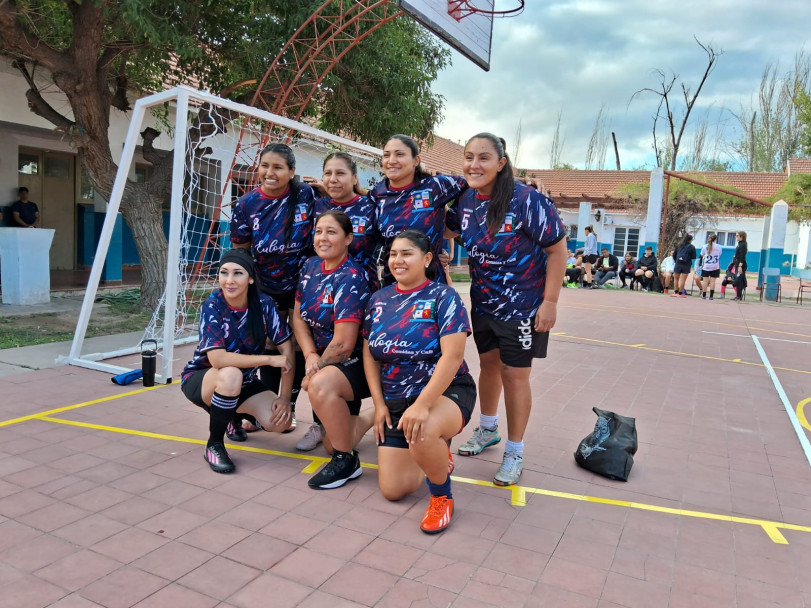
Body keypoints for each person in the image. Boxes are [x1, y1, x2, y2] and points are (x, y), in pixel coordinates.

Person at [446, 133, 566, 487]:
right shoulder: (465, 200)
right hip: (483, 302)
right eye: (468, 157)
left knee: (515, 376)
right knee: (489, 366)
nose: (474, 165)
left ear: (501, 163)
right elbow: (446, 229)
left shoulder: (527, 200)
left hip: (524, 308)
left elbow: (558, 251)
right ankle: (487, 430)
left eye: (484, 158)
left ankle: (514, 451)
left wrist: (551, 302)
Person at [363, 230, 476, 534]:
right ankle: (435, 451)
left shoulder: (444, 297)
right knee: (393, 490)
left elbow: (452, 358)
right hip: (397, 399)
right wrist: (378, 404)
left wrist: (423, 405)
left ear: (427, 259)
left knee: (423, 430)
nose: (397, 260)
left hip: (445, 392)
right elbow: (370, 357)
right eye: (393, 254)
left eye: (407, 253)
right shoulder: (378, 300)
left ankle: (442, 496)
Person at [180, 248, 294, 474]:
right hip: (203, 378)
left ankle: (232, 416)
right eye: (224, 273)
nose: (229, 281)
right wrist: (268, 360)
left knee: (279, 422)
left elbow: (287, 349)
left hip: (244, 380)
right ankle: (214, 444)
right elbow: (217, 359)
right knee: (231, 373)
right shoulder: (213, 305)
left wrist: (284, 397)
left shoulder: (264, 304)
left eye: (237, 274)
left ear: (250, 278)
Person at [230, 143, 318, 435]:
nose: (270, 172)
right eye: (265, 165)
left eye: (278, 167)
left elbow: (340, 199)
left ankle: (289, 407)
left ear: (291, 171)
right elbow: (240, 251)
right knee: (269, 346)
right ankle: (264, 410)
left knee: (301, 347)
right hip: (266, 287)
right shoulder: (246, 205)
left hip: (303, 286)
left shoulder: (305, 194)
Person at [298, 152, 381, 450]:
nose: (334, 180)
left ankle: (349, 422)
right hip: (320, 286)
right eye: (328, 174)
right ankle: (322, 424)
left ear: (355, 178)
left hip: (357, 290)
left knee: (345, 350)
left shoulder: (370, 207)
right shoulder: (318, 204)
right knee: (318, 347)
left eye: (341, 174)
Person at [292, 211, 374, 488]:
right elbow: (298, 317)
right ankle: (379, 415)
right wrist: (310, 355)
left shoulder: (351, 276)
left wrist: (312, 372)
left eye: (331, 232)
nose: (322, 238)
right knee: (330, 441)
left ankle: (345, 461)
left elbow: (342, 345)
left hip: (356, 363)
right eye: (318, 231)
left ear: (348, 238)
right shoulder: (310, 267)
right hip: (324, 362)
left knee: (320, 386)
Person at [368, 134, 467, 286]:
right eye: (386, 155)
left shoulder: (435, 187)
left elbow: (478, 184)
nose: (391, 160)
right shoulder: (377, 194)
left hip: (431, 287)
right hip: (393, 287)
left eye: (399, 154)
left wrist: (454, 221)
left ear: (416, 161)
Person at [697, 232, 722, 300]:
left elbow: (702, 255)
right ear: (715, 239)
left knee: (705, 281)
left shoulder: (705, 246)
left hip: (706, 266)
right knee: (712, 281)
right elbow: (719, 255)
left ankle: (704, 295)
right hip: (715, 266)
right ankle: (711, 296)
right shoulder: (719, 247)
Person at [671, 234, 696, 298]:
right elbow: (694, 256)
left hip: (678, 263)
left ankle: (675, 292)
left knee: (676, 278)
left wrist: (677, 260)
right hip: (686, 264)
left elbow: (674, 255)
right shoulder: (691, 247)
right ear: (690, 240)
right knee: (683, 279)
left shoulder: (679, 245)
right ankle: (680, 293)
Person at [730, 231, 748, 301]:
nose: (736, 237)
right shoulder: (739, 244)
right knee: (738, 280)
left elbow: (742, 256)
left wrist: (740, 266)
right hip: (737, 264)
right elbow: (738, 254)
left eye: (737, 235)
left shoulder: (743, 245)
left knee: (738, 280)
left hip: (741, 265)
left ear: (741, 236)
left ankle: (739, 296)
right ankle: (738, 296)